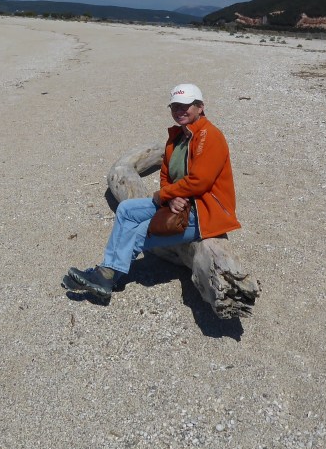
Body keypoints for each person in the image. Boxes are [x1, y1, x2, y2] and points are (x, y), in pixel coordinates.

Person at [65, 83, 240, 302]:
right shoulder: (177, 137)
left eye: (185, 106)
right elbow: (165, 175)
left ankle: (106, 276)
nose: (179, 110)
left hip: (204, 214)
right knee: (126, 209)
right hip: (179, 204)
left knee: (139, 232)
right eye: (175, 106)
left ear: (200, 107)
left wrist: (164, 196)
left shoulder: (210, 136)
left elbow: (200, 182)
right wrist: (171, 196)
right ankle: (105, 276)